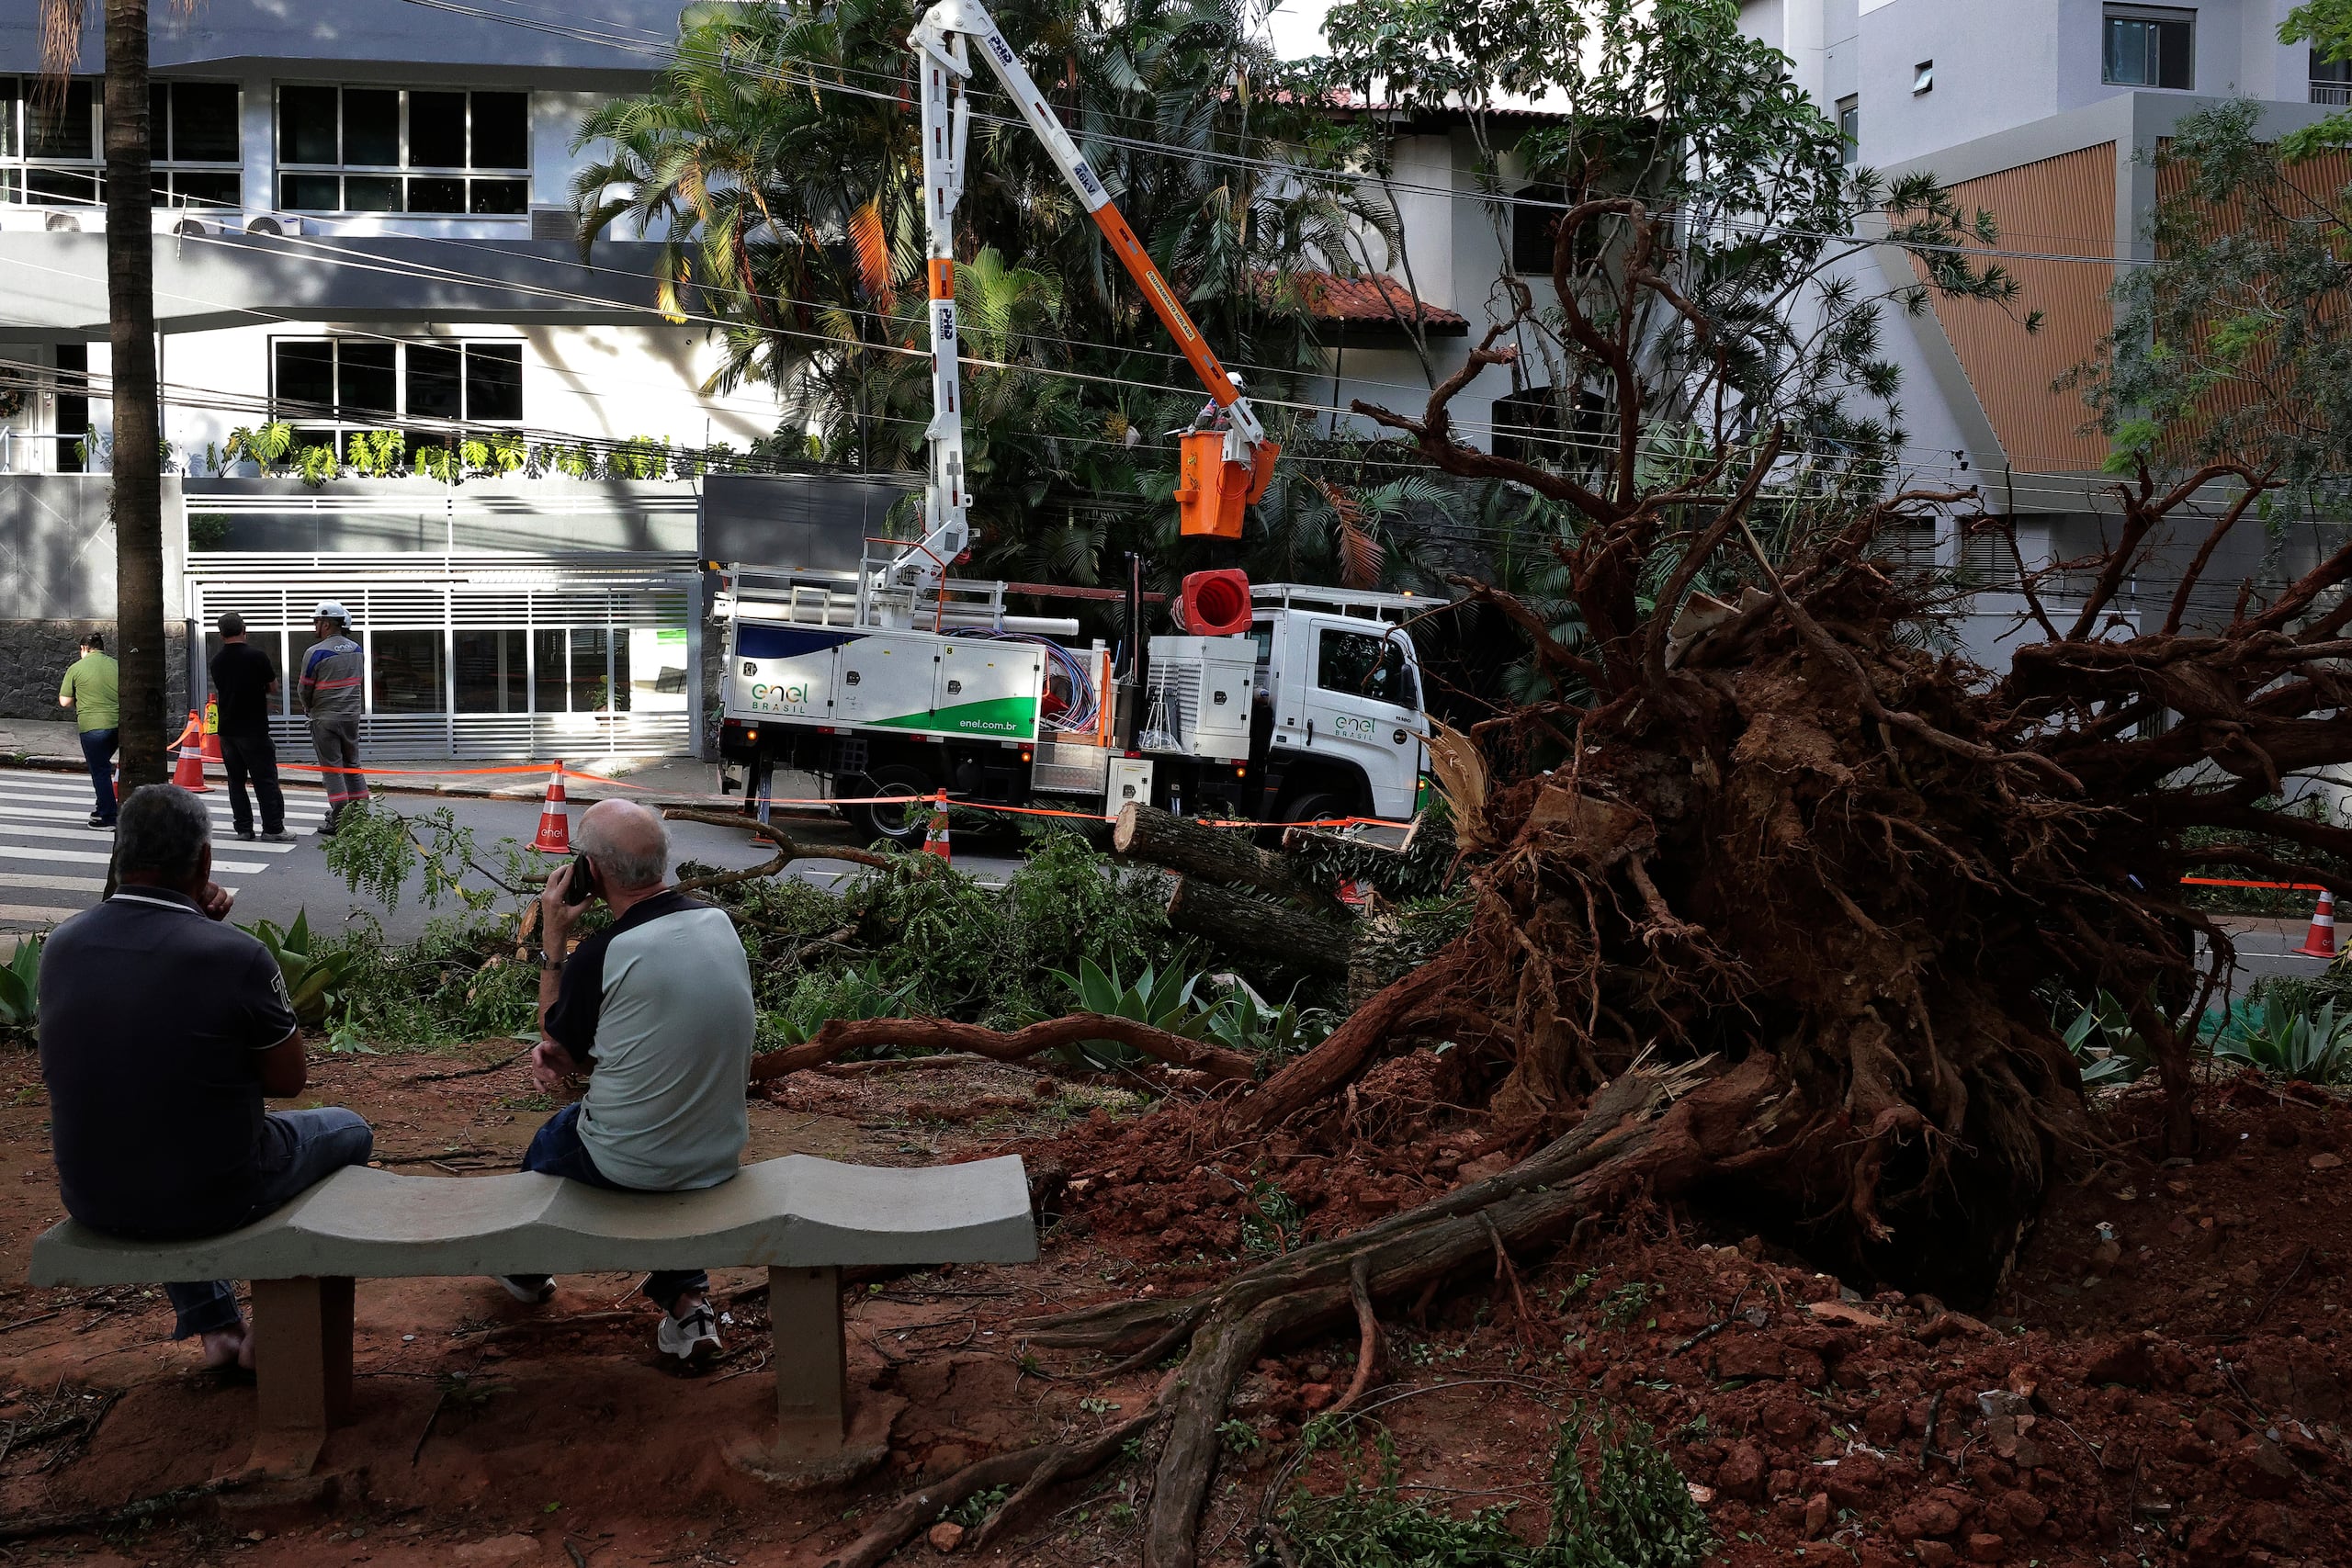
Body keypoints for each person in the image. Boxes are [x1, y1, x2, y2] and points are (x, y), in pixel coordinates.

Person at [37, 784, 374, 1370]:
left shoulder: (62, 946)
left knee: (155, 1131)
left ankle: (216, 1328)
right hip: (217, 1192)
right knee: (350, 1131)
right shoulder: (234, 956)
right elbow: (289, 1079)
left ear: (119, 855)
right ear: (204, 862)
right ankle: (274, 1328)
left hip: (93, 1192)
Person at [499, 798, 753, 1362]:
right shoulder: (717, 921)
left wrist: (554, 941)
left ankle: (522, 1273)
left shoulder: (605, 952)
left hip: (630, 1161)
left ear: (590, 872)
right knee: (659, 1159)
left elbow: (558, 1044)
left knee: (555, 1139)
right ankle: (689, 1307)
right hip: (718, 1154)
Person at [208, 613, 293, 844]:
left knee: (236, 781)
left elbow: (226, 688)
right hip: (253, 728)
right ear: (244, 629)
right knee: (264, 779)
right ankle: (273, 828)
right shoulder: (257, 656)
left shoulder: (217, 661)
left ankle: (244, 829)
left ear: (220, 633)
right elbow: (273, 687)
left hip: (227, 730)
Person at [297, 601, 368, 834]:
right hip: (351, 716)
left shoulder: (315, 652)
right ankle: (361, 814)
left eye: (316, 621)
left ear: (326, 623)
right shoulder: (357, 649)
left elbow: (304, 688)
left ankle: (338, 818)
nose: (314, 626)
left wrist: (308, 708)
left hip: (325, 718)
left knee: (332, 770)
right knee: (352, 765)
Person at [56, 631, 119, 829]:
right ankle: (101, 809)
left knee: (99, 770)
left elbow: (65, 701)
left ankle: (109, 817)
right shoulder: (116, 665)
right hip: (117, 725)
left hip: (92, 726)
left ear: (83, 648)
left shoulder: (76, 668)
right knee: (102, 766)